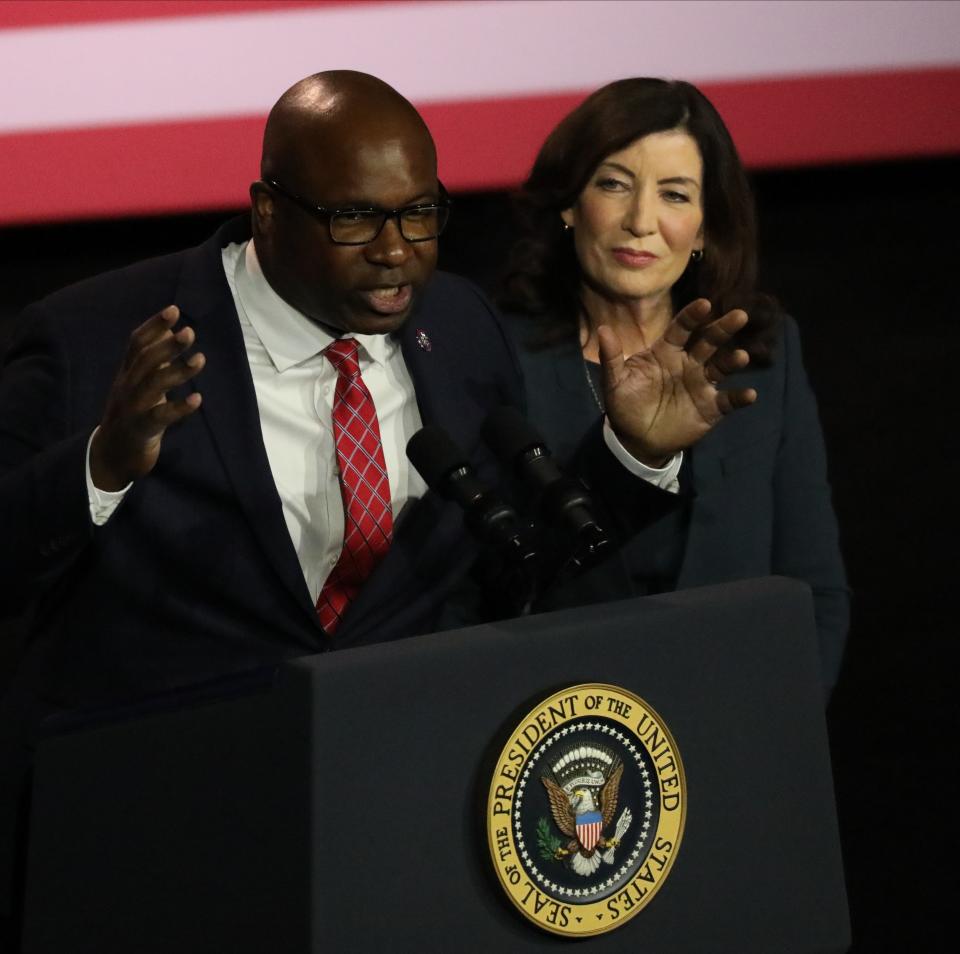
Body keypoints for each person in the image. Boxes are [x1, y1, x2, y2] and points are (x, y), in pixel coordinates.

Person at [0, 70, 755, 936]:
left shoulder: (461, 326)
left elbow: (510, 581)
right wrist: (101, 464)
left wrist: (632, 457)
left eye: (421, 213)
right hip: (149, 840)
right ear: (268, 210)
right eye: (356, 219)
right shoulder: (95, 337)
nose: (399, 250)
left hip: (386, 835)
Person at [499, 77, 849, 693]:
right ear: (568, 203)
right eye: (613, 184)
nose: (641, 221)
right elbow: (491, 590)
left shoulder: (764, 355)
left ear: (707, 226)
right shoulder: (495, 355)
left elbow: (813, 592)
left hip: (732, 729)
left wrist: (774, 737)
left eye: (675, 194)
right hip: (561, 741)